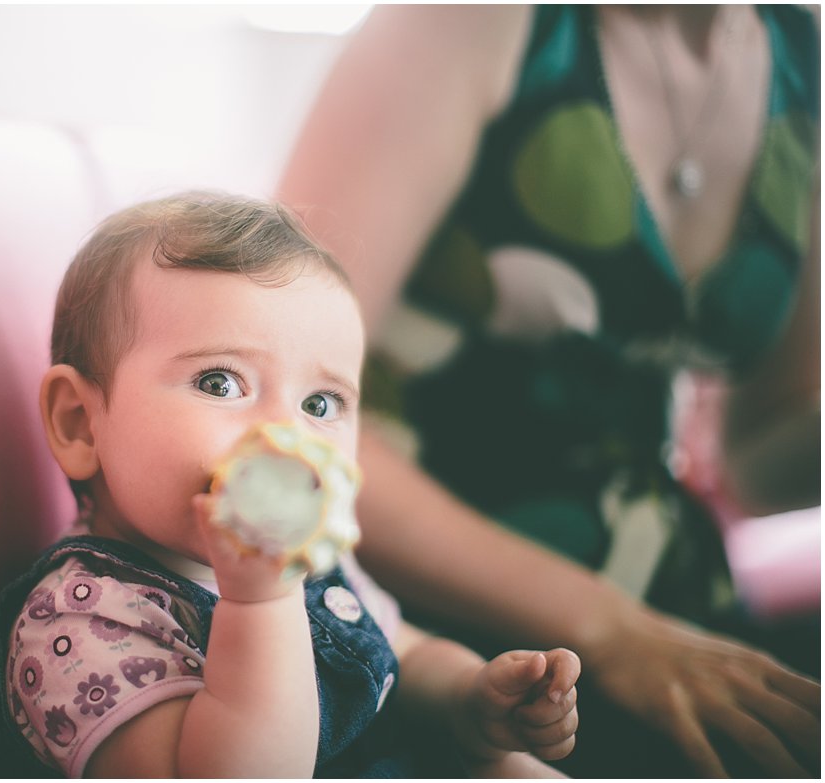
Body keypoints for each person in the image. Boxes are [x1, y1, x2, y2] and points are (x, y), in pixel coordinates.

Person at [278, 4, 820, 778]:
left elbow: (757, 460)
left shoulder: (800, 54)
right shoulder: (471, 21)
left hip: (670, 615)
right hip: (432, 632)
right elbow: (287, 407)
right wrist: (612, 630)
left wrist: (645, 635)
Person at [0, 192, 581, 777]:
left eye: (321, 403)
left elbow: (400, 646)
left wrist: (467, 698)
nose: (282, 433)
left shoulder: (307, 551)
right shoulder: (79, 623)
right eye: (221, 383)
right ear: (81, 424)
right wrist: (262, 602)